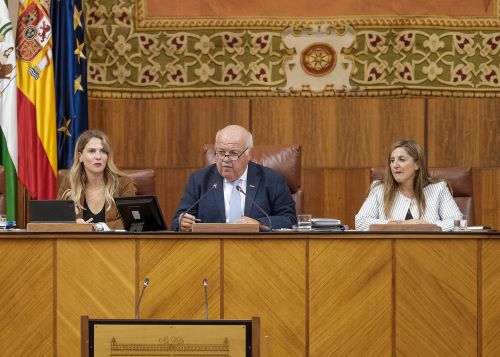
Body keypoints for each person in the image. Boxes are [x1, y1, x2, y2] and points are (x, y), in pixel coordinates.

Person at [171, 125, 297, 231]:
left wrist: (259, 223)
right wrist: (183, 223)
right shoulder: (199, 180)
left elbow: (289, 219)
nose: (225, 159)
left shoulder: (272, 180)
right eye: (220, 152)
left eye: (233, 153)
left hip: (257, 250)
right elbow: (177, 221)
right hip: (210, 252)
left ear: (249, 154)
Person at [355, 140, 461, 231]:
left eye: (402, 159)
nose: (395, 165)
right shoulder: (379, 189)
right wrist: (400, 224)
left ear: (417, 164)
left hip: (430, 249)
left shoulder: (438, 188)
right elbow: (361, 222)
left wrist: (425, 227)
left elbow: (458, 221)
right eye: (392, 160)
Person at [58, 129, 136, 230]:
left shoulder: (123, 183)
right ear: (80, 156)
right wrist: (73, 224)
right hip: (78, 244)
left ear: (107, 157)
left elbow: (130, 222)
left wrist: (96, 227)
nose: (98, 156)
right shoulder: (70, 183)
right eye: (92, 151)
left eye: (103, 151)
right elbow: (59, 220)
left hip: (115, 244)